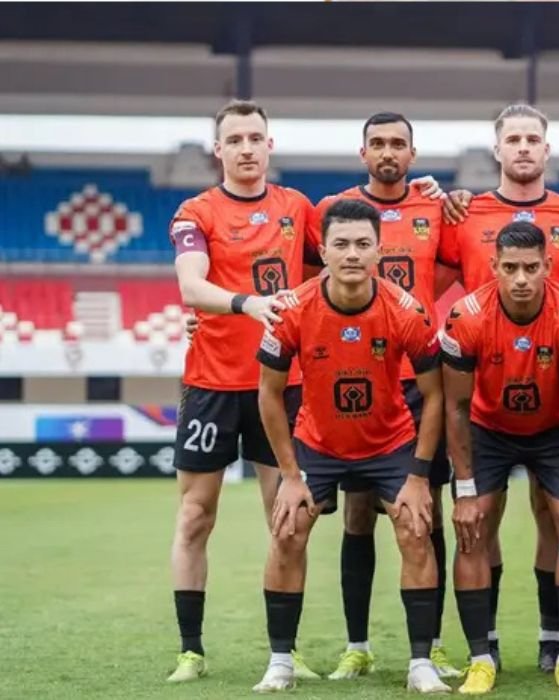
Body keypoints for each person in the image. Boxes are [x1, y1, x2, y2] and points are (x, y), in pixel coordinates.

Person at [251, 198, 448, 693]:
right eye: (341, 244)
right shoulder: (292, 309)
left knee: (416, 528)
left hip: (389, 443)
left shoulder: (407, 311)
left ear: (380, 251)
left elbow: (435, 395)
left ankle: (421, 663)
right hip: (318, 444)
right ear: (323, 250)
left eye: (363, 244)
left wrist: (419, 476)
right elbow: (269, 394)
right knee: (287, 528)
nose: (353, 253)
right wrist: (289, 476)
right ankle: (280, 661)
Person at [437, 103, 559, 673]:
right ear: (497, 149)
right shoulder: (463, 213)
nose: (524, 147)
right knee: (477, 522)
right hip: (487, 405)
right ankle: (483, 650)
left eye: (534, 138)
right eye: (514, 139)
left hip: (556, 404)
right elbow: (423, 280)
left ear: (546, 149)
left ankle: (558, 645)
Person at [166, 99, 320, 683]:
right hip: (211, 384)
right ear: (219, 150)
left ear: (269, 145)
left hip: (279, 385)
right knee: (194, 516)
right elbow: (191, 286)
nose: (247, 148)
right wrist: (246, 304)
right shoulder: (195, 211)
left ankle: (286, 652)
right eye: (235, 140)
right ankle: (191, 651)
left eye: (256, 138)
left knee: (288, 521)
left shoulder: (297, 208)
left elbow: (339, 262)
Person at [309, 111, 461, 681]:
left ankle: (433, 645)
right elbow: (308, 278)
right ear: (363, 153)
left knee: (426, 511)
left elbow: (451, 268)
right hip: (356, 378)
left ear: (412, 155)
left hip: (417, 378)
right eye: (378, 143)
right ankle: (358, 645)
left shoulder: (435, 207)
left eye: (398, 143)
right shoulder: (337, 209)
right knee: (357, 515)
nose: (388, 152)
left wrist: (410, 302)